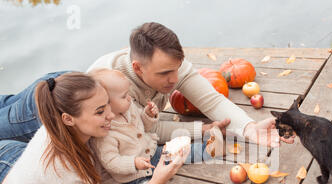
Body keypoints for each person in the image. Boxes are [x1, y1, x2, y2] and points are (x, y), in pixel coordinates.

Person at [0, 72, 189, 184]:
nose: (111, 115)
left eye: (107, 104)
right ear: (68, 119)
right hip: (7, 179)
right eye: (100, 112)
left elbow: (104, 179)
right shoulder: (58, 166)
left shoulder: (86, 131)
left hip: (23, 166)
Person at [87, 22, 292, 148]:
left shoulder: (169, 66)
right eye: (165, 73)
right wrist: (203, 129)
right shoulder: (113, 90)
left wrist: (249, 127)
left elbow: (211, 100)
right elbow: (149, 131)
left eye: (177, 68)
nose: (175, 79)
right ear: (138, 68)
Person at [89, 68, 223, 184]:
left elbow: (145, 127)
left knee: (181, 151)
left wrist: (147, 115)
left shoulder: (129, 108)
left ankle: (210, 149)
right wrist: (134, 163)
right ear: (106, 102)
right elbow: (111, 162)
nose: (129, 98)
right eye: (124, 96)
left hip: (153, 152)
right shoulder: (104, 133)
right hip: (135, 175)